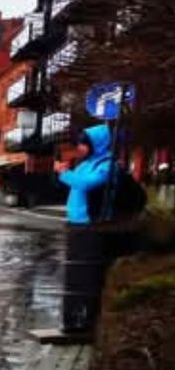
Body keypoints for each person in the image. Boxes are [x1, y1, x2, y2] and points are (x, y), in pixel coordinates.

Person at [54, 125, 117, 334]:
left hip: (91, 225)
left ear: (95, 145)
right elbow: (77, 182)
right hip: (76, 224)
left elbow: (85, 184)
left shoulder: (107, 165)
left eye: (83, 144)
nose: (79, 148)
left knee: (86, 273)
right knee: (74, 274)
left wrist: (64, 173)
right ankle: (71, 320)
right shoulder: (85, 164)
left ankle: (85, 320)